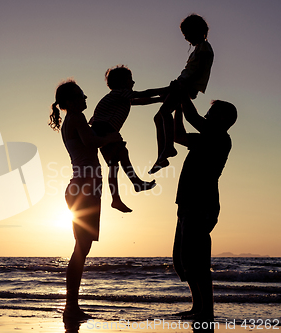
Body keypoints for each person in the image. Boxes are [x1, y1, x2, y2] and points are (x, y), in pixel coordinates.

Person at [49, 80, 121, 321]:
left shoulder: (73, 121)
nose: (85, 97)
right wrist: (111, 138)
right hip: (84, 187)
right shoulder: (77, 117)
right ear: (69, 101)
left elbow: (87, 141)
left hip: (81, 187)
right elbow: (90, 143)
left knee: (82, 248)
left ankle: (72, 305)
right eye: (81, 95)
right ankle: (71, 307)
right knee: (81, 249)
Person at [172, 88, 237, 321]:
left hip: (202, 204)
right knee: (182, 261)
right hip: (187, 203)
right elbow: (178, 136)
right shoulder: (206, 137)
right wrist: (178, 110)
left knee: (197, 260)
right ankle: (197, 307)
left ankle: (206, 311)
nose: (207, 116)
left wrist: (182, 94)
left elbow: (194, 117)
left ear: (222, 118)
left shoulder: (220, 137)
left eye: (211, 112)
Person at [89, 65, 163, 212]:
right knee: (120, 157)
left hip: (101, 130)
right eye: (130, 80)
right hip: (105, 129)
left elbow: (141, 101)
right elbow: (143, 94)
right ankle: (135, 184)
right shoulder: (120, 93)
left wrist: (160, 99)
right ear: (122, 83)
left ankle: (118, 197)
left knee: (115, 164)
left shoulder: (121, 97)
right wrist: (166, 90)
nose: (133, 82)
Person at [150, 14, 214, 174]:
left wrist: (183, 84)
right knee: (158, 117)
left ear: (199, 31)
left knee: (164, 113)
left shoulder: (205, 48)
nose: (186, 38)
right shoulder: (199, 49)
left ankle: (169, 148)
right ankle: (162, 155)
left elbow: (199, 71)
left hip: (184, 86)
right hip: (181, 84)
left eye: (188, 34)